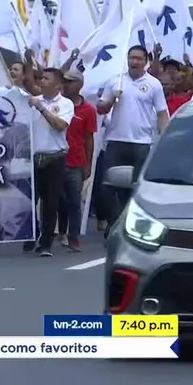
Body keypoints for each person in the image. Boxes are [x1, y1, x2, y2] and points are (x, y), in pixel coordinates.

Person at [97, 45, 169, 222]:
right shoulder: (116, 81)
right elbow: (100, 108)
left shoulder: (153, 84)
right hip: (116, 141)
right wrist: (113, 98)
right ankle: (114, 223)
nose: (134, 61)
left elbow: (161, 113)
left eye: (139, 58)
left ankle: (131, 222)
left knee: (136, 187)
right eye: (131, 58)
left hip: (142, 143)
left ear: (146, 62)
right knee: (109, 186)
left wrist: (166, 139)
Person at [27, 68, 73, 256]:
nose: (42, 81)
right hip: (33, 158)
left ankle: (46, 243)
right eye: (41, 78)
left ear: (57, 85)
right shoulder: (32, 100)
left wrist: (41, 108)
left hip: (54, 158)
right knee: (30, 200)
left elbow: (59, 125)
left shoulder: (65, 103)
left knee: (51, 202)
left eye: (46, 79)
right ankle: (31, 235)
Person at [57, 69, 95, 252]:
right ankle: (58, 232)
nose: (65, 85)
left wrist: (88, 164)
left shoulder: (88, 110)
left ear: (79, 85)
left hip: (76, 161)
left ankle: (74, 237)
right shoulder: (56, 104)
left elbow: (89, 138)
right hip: (56, 159)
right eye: (64, 81)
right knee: (57, 200)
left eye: (70, 82)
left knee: (73, 200)